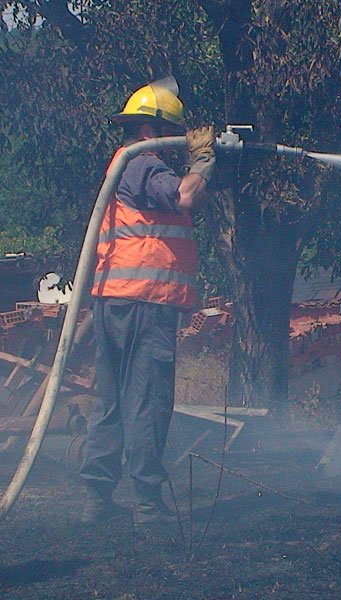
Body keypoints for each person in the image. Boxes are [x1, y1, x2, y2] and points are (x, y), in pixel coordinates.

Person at [79, 76, 215, 524]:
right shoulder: (144, 165)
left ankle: (98, 498)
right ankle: (146, 501)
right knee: (149, 399)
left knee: (112, 399)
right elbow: (184, 196)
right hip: (146, 302)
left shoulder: (123, 165)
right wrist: (203, 160)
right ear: (150, 131)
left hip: (114, 300)